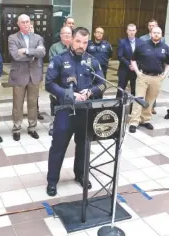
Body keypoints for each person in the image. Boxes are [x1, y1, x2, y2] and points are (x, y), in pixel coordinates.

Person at [45, 27, 106, 196]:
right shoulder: (59, 60)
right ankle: (52, 181)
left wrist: (91, 92)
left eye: (85, 43)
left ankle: (80, 175)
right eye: (78, 41)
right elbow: (49, 83)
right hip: (65, 111)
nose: (81, 46)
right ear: (71, 40)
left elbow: (102, 83)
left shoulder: (92, 61)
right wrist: (69, 94)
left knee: (84, 146)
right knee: (58, 147)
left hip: (85, 111)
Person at [8, 14, 46, 141]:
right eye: (23, 22)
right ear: (18, 24)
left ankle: (32, 128)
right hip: (19, 75)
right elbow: (15, 55)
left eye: (28, 21)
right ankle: (17, 128)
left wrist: (26, 50)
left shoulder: (38, 37)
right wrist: (34, 53)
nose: (26, 24)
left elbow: (42, 52)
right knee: (17, 104)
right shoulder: (12, 38)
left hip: (34, 75)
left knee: (33, 103)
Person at [129, 27, 169, 133]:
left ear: (161, 34)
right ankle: (134, 122)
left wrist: (164, 75)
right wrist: (137, 72)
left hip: (157, 78)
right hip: (143, 77)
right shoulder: (142, 45)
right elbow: (133, 60)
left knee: (150, 101)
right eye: (154, 33)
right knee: (139, 100)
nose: (156, 34)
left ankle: (145, 120)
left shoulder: (165, 47)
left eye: (159, 33)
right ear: (150, 33)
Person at [48, 26, 72, 136]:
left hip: (71, 81)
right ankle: (53, 125)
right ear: (60, 35)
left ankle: (69, 125)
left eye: (69, 33)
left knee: (70, 103)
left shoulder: (74, 46)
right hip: (58, 81)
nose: (67, 35)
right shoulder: (54, 47)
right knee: (56, 104)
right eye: (64, 33)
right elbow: (54, 62)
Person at [139, 19, 165, 114]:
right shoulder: (142, 38)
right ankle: (142, 108)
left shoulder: (162, 38)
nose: (151, 27)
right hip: (145, 68)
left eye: (153, 25)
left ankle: (152, 107)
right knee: (143, 92)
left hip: (157, 68)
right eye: (150, 25)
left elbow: (163, 53)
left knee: (153, 91)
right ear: (148, 27)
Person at [116, 23, 143, 98]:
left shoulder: (141, 42)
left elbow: (142, 56)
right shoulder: (122, 42)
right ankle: (118, 107)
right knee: (120, 90)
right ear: (127, 31)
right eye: (130, 30)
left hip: (136, 70)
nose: (131, 32)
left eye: (133, 30)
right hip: (124, 69)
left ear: (136, 31)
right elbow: (120, 56)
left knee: (135, 90)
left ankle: (133, 106)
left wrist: (136, 65)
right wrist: (129, 65)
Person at [29, 23, 44, 120]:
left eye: (31, 27)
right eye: (28, 28)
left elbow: (41, 53)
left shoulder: (39, 39)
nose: (30, 29)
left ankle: (36, 112)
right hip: (23, 71)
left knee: (35, 94)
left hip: (36, 69)